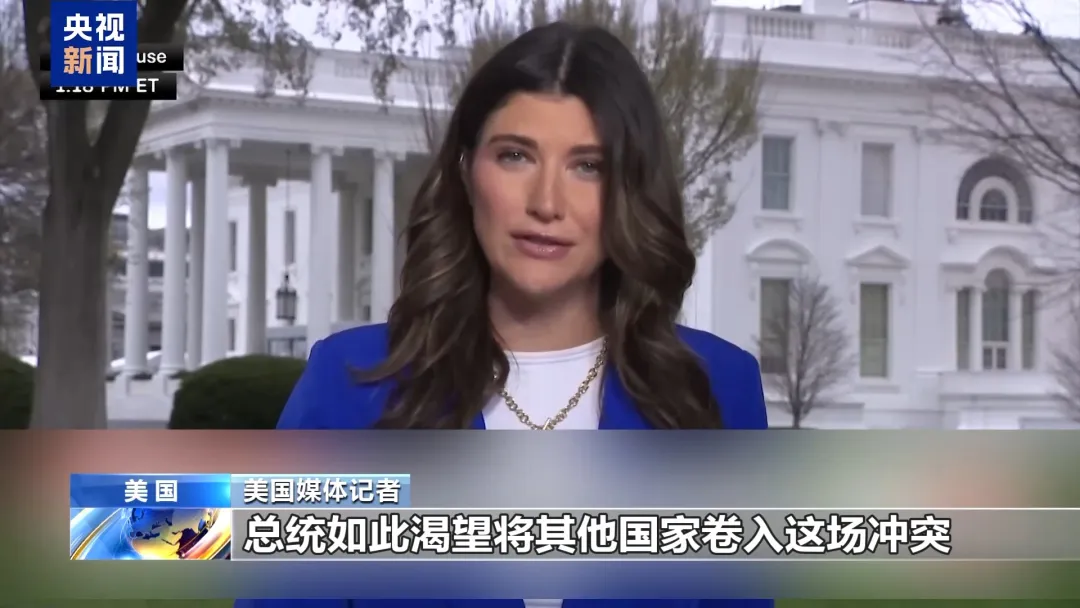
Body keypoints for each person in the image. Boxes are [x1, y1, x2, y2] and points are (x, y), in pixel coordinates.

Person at [237, 19, 770, 608]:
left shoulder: (717, 390)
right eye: (515, 156)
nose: (546, 203)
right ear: (467, 172)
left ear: (630, 190)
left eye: (588, 166)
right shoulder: (349, 384)